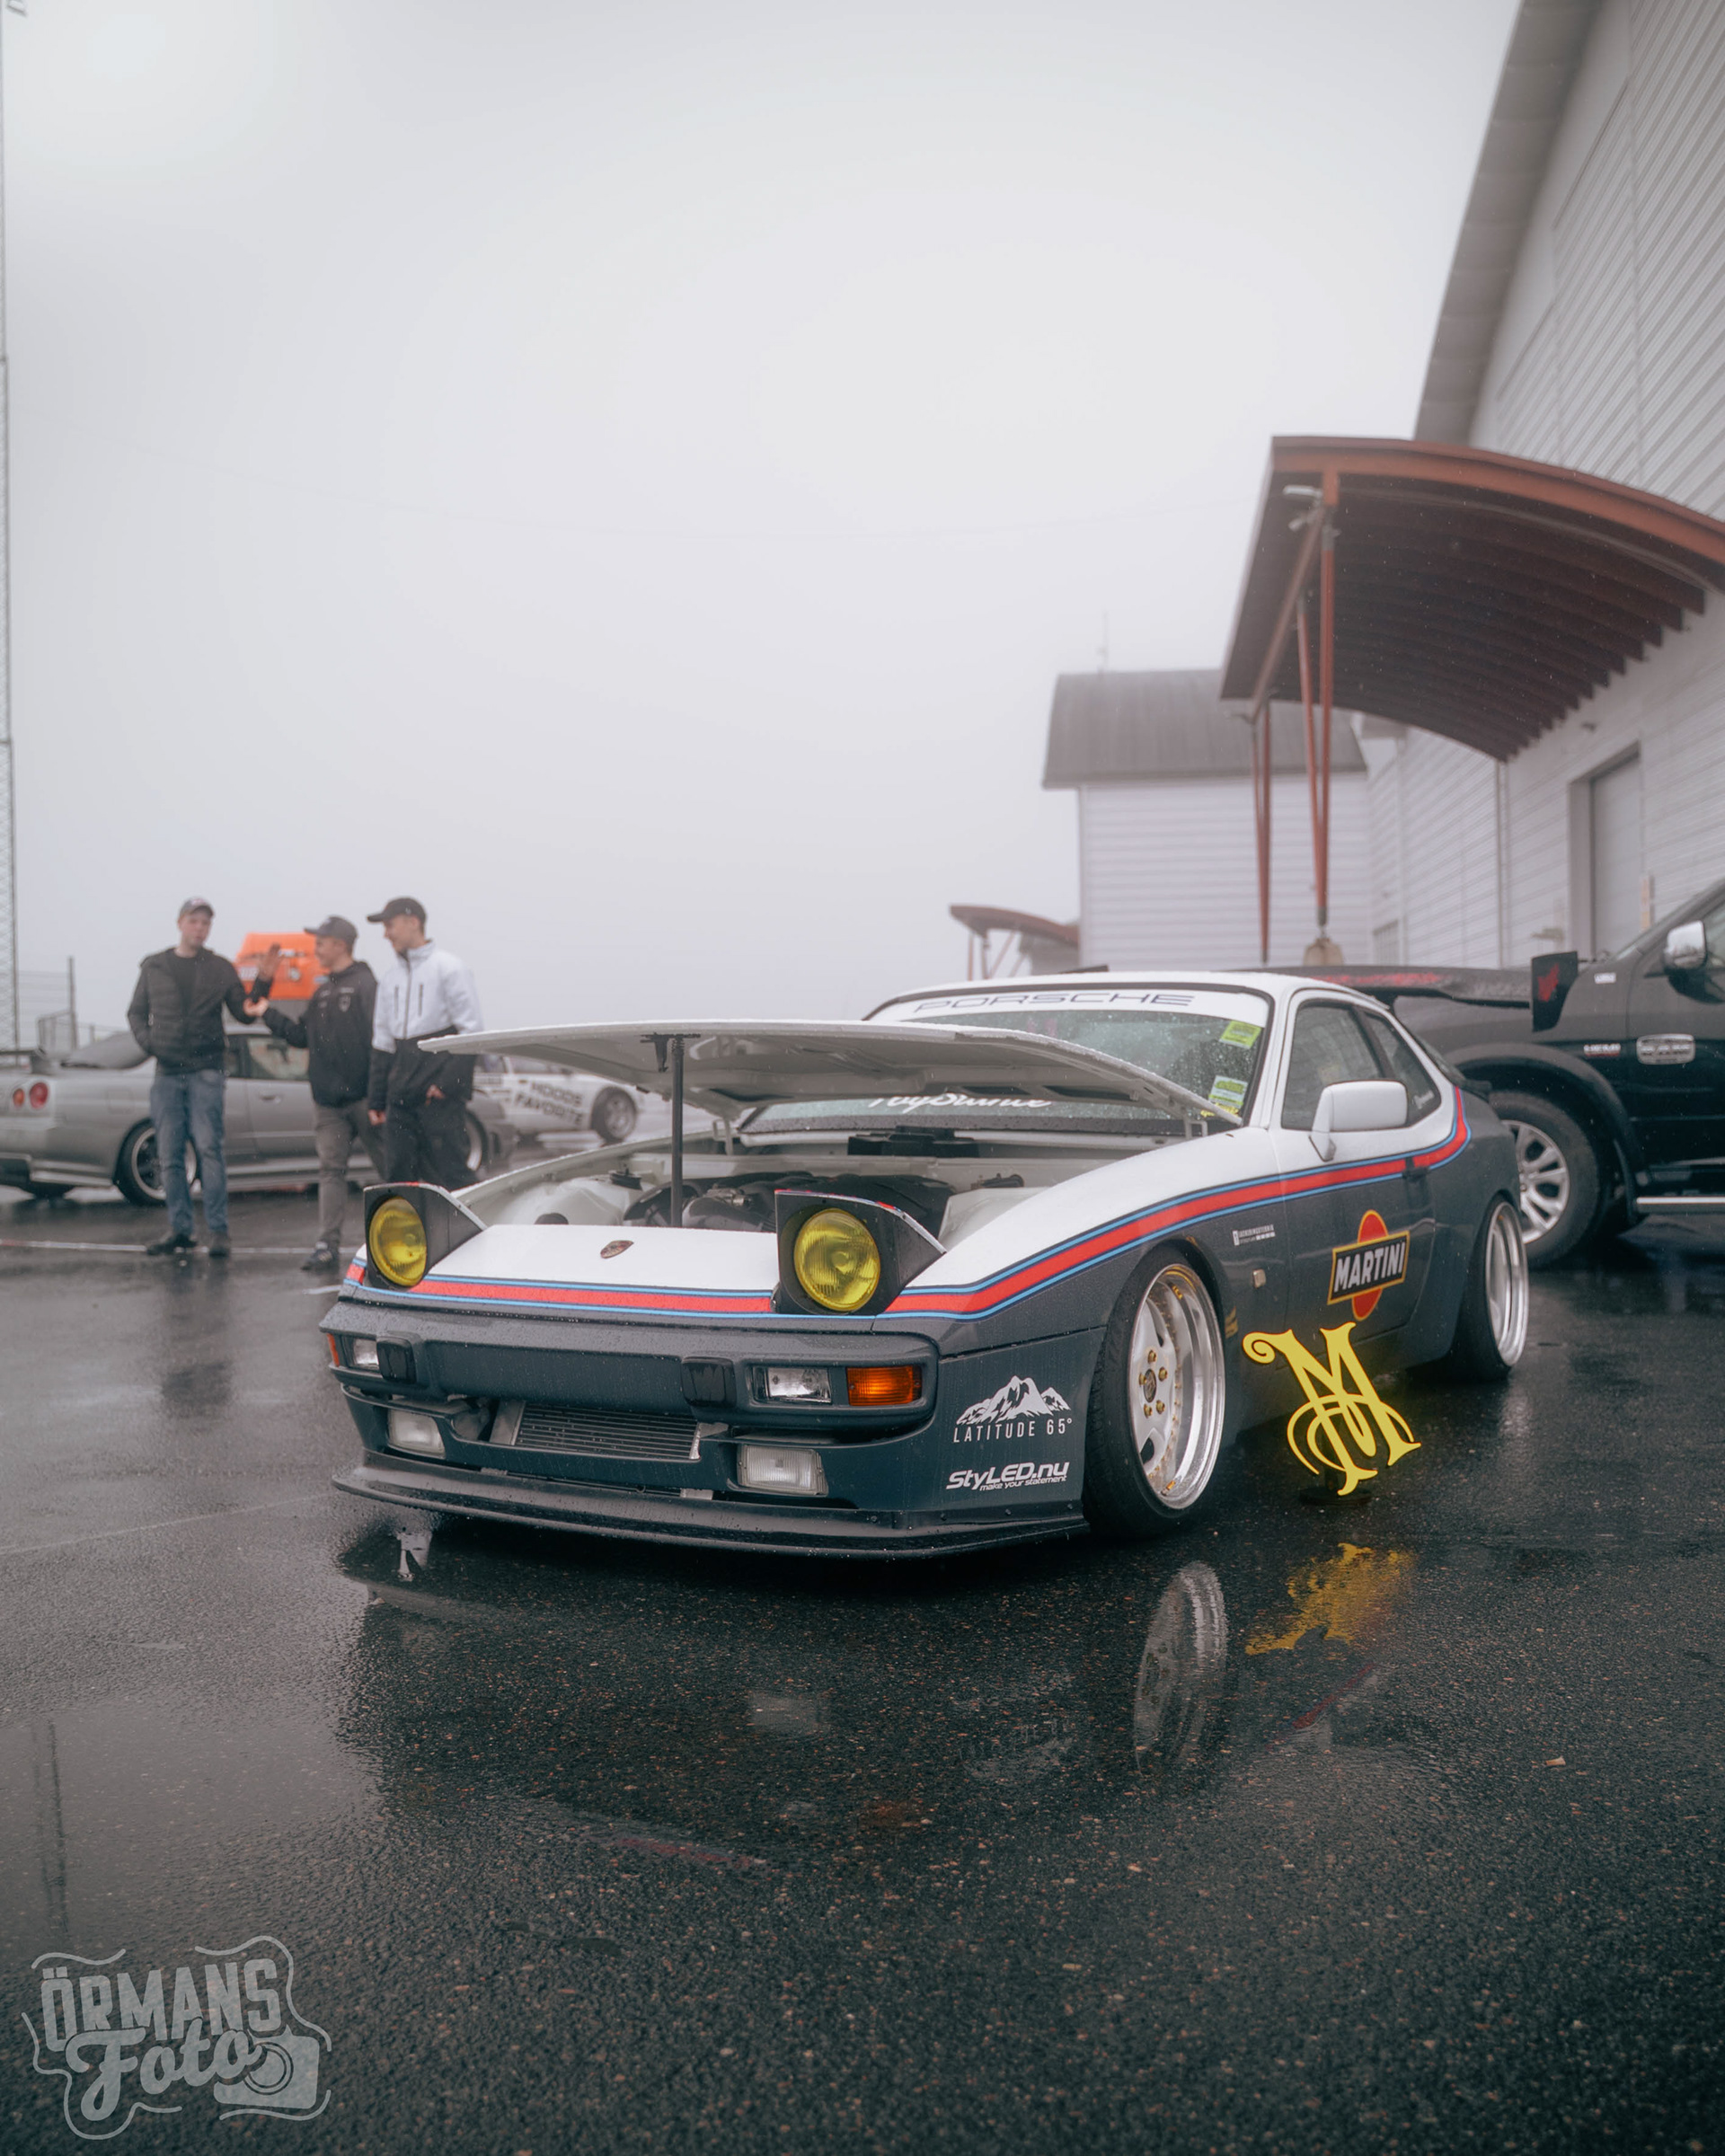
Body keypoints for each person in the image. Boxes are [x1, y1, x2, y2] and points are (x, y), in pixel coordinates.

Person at [244, 915, 385, 1270]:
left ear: (340, 944)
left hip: (366, 1099)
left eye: (321, 942)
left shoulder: (367, 985)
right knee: (330, 1172)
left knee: (389, 1171)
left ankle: (401, 1241)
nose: (316, 948)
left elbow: (382, 1042)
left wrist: (379, 1095)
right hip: (328, 1104)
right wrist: (266, 1012)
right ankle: (326, 1245)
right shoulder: (321, 991)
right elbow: (299, 1036)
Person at [126, 898, 252, 1257]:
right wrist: (152, 1044)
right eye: (194, 921)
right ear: (180, 923)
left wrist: (264, 982)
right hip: (167, 1073)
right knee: (169, 1153)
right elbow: (135, 1012)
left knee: (209, 1149)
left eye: (206, 923)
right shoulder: (155, 966)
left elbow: (244, 1013)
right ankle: (180, 1229)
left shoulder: (220, 968)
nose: (200, 928)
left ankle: (218, 1231)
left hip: (206, 1071)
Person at [366, 897, 485, 1187]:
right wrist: (377, 1098)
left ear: (413, 922)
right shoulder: (389, 979)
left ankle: (468, 1219)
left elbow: (472, 1032)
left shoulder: (450, 968)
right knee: (399, 1178)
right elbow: (382, 1041)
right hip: (400, 1098)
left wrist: (446, 1086)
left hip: (438, 1097)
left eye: (390, 925)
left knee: (451, 1176)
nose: (386, 934)